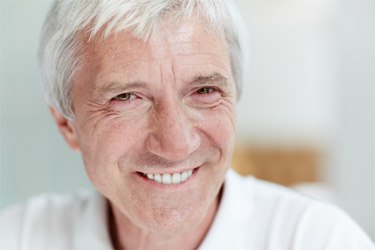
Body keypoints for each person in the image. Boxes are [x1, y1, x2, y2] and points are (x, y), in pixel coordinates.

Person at [0, 0, 374, 249]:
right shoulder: (18, 238)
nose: (177, 144)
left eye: (205, 90)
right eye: (127, 97)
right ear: (67, 125)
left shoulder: (318, 240)